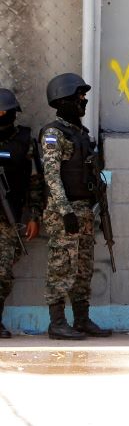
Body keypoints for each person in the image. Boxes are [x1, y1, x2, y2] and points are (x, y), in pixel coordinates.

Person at [39, 73, 111, 340]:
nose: (83, 100)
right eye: (79, 96)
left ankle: (81, 319)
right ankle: (57, 323)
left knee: (82, 268)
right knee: (61, 266)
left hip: (84, 210)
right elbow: (51, 175)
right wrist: (65, 210)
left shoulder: (81, 134)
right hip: (64, 213)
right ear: (63, 99)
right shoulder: (53, 134)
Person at [0, 89, 42, 337]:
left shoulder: (24, 140)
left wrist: (34, 215)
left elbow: (35, 182)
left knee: (2, 273)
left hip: (9, 217)